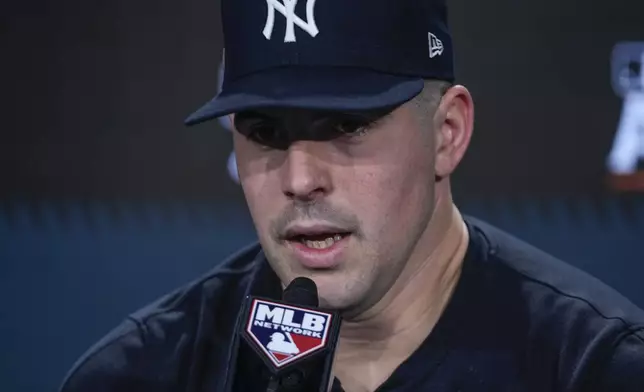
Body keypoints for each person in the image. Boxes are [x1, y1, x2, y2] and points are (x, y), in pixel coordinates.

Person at [59, 0, 644, 391]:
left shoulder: (593, 368)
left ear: (447, 134)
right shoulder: (143, 374)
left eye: (345, 126)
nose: (300, 178)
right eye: (264, 132)